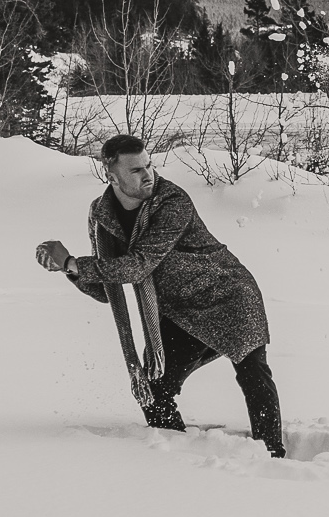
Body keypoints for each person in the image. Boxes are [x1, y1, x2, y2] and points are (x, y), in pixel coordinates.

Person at [36, 134, 285, 458]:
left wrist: (74, 263)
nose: (148, 174)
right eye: (136, 170)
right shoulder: (102, 217)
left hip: (229, 294)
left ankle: (273, 456)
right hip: (181, 310)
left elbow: (139, 265)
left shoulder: (172, 202)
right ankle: (178, 458)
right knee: (154, 389)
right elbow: (104, 288)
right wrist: (66, 268)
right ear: (112, 176)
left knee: (253, 374)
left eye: (149, 165)